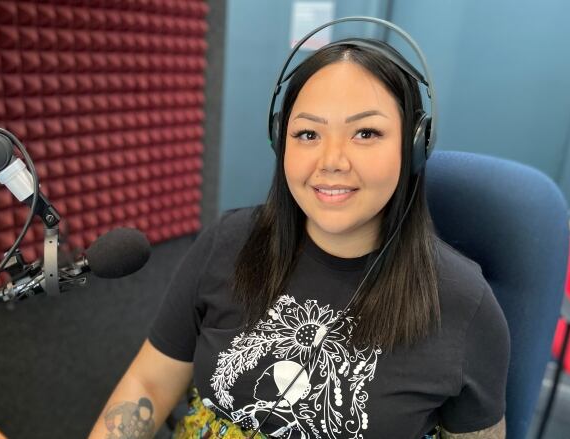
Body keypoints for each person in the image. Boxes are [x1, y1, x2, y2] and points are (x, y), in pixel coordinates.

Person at [89, 33, 509, 439]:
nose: (331, 161)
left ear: (415, 145)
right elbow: (149, 384)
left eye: (366, 133)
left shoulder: (464, 304)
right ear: (280, 140)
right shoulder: (228, 243)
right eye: (308, 133)